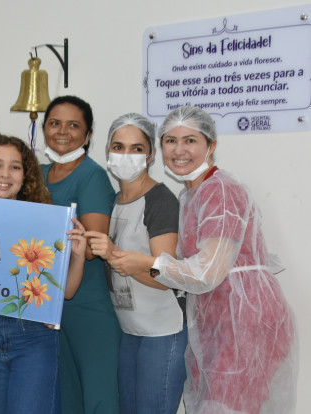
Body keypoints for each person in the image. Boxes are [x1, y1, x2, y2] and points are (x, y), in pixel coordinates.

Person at [99, 106, 298, 413]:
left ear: (211, 145)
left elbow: (207, 272)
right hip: (216, 317)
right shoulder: (192, 194)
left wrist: (148, 263)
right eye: (171, 140)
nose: (179, 150)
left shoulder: (221, 191)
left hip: (242, 319)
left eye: (190, 140)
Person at [0, 135, 88, 414]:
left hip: (33, 339)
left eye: (15, 167)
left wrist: (78, 256)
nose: (5, 174)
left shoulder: (45, 221)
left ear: (25, 177)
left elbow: (67, 292)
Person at [85, 113, 186, 414]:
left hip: (163, 331)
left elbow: (166, 278)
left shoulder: (160, 201)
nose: (126, 155)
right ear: (107, 151)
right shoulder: (115, 201)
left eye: (136, 148)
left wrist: (114, 255)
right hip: (130, 332)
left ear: (151, 155)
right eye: (118, 147)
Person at [40, 96, 120, 413]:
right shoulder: (37, 174)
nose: (63, 131)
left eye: (74, 125)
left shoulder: (92, 176)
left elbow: (90, 249)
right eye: (54, 123)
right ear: (44, 129)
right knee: (66, 400)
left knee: (99, 399)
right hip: (50, 309)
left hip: (87, 309)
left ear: (88, 136)